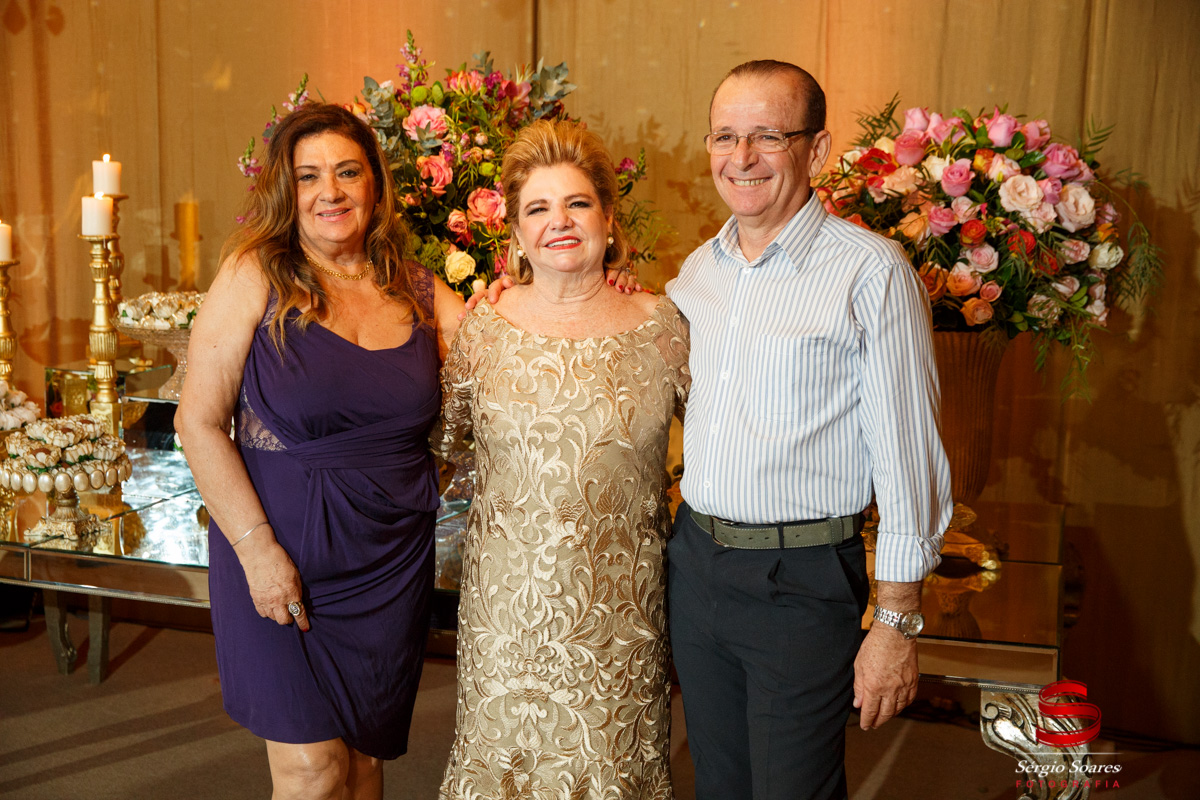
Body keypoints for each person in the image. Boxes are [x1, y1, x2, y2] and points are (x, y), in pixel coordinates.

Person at [664, 61, 952, 800]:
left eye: (768, 136)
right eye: (725, 136)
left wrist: (896, 622)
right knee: (718, 785)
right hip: (696, 567)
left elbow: (908, 457)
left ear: (816, 149)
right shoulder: (698, 272)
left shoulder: (871, 273)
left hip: (800, 581)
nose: (742, 157)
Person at [176, 102, 464, 800]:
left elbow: (511, 366)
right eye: (309, 176)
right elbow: (198, 421)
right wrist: (257, 551)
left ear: (375, 184)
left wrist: (587, 290)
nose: (329, 192)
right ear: (288, 190)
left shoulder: (420, 290)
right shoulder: (255, 274)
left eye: (347, 172)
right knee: (313, 771)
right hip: (276, 551)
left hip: (389, 558)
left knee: (363, 763)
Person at [436, 118, 690, 799]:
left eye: (578, 203)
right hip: (504, 617)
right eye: (538, 209)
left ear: (607, 218)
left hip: (621, 616)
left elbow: (720, 446)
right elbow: (445, 444)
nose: (560, 222)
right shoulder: (484, 327)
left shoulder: (662, 326)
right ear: (516, 235)